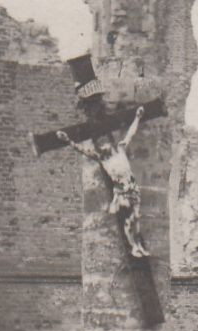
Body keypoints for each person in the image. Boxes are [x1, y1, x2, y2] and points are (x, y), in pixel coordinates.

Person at [56, 105, 150, 260]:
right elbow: (82, 150)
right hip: (122, 193)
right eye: (103, 146)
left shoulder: (120, 149)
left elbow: (131, 133)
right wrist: (68, 140)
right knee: (128, 221)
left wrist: (138, 117)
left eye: (106, 144)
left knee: (136, 217)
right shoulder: (103, 159)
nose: (105, 147)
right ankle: (133, 246)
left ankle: (138, 245)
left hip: (133, 188)